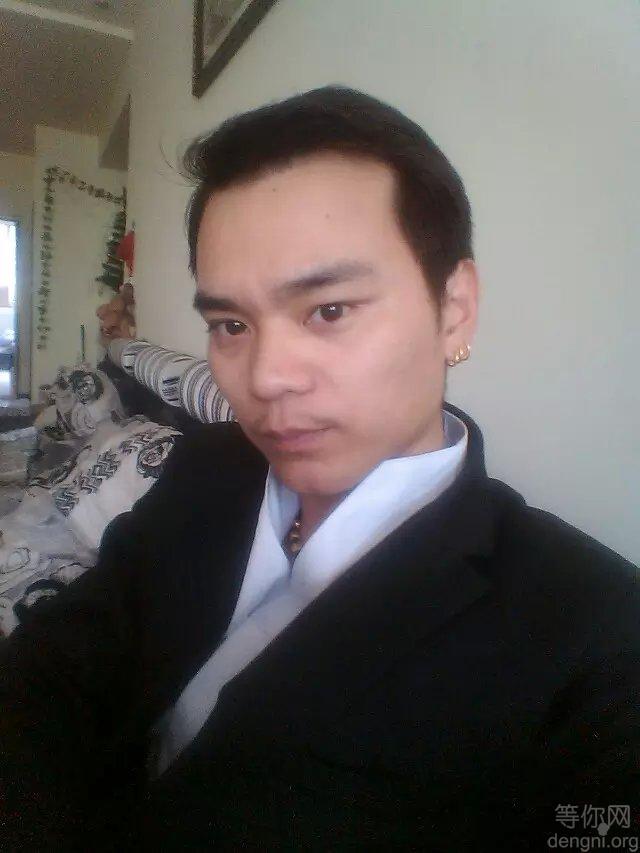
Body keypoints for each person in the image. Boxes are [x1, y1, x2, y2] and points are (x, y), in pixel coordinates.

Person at [1, 86, 638, 851]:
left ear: (454, 308)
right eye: (230, 324)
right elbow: (55, 668)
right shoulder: (208, 466)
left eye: (329, 310)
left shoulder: (598, 635)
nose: (266, 377)